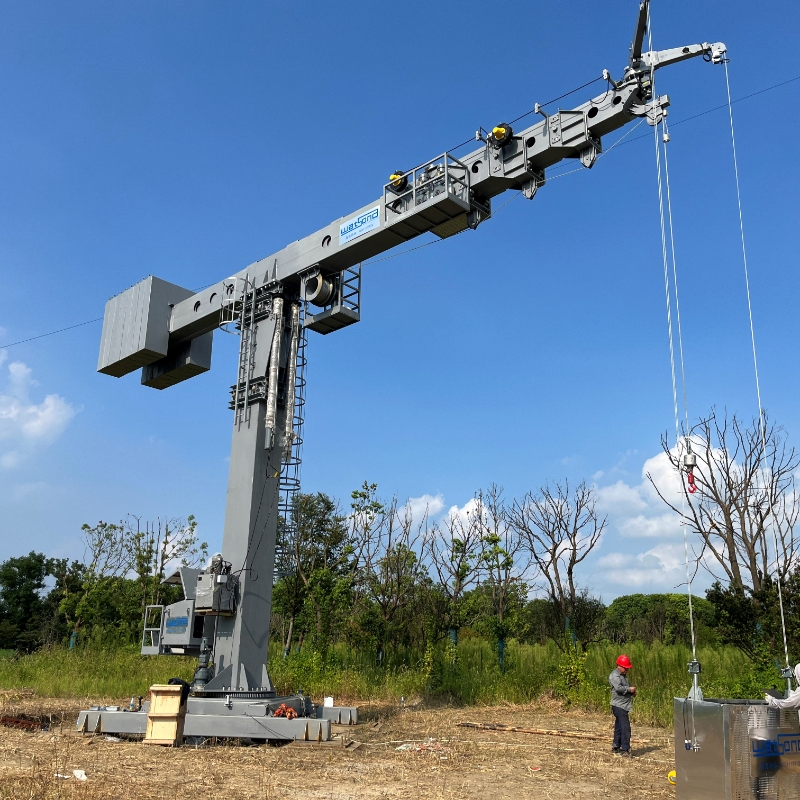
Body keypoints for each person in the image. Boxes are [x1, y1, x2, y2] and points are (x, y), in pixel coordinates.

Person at [609, 654, 636, 757]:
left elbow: (624, 688)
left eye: (627, 668)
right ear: (619, 666)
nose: (627, 670)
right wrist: (629, 689)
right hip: (618, 705)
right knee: (625, 727)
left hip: (623, 705)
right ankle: (626, 749)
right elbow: (619, 688)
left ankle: (616, 746)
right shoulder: (614, 676)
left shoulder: (622, 675)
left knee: (619, 726)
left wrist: (631, 693)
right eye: (625, 668)